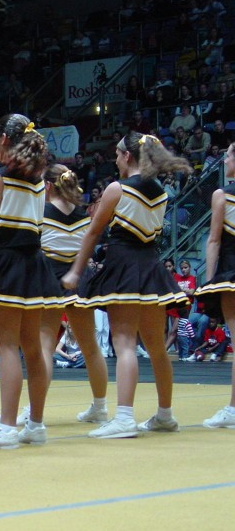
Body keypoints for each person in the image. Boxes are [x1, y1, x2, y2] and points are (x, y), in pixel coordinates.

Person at [63, 133, 191, 439]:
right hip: (152, 269)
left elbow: (93, 232)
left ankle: (123, 417)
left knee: (124, 344)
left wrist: (76, 271)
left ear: (128, 156)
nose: (116, 159)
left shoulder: (117, 188)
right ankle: (165, 415)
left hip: (124, 268)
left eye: (118, 154)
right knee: (157, 348)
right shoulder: (160, 192)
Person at [0, 114, 63, 450]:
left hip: (7, 264)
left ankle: (6, 427)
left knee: (7, 348)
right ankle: (36, 424)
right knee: (32, 348)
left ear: (3, 139)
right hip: (35, 265)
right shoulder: (39, 180)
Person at [34, 164, 108, 425]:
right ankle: (100, 407)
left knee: (44, 346)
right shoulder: (84, 215)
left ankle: (35, 411)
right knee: (90, 347)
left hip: (49, 280)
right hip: (79, 281)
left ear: (48, 186)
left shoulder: (40, 213)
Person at [195, 142, 235, 426]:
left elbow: (214, 240)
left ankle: (233, 409)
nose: (225, 160)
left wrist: (209, 282)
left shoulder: (222, 195)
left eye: (229, 155)